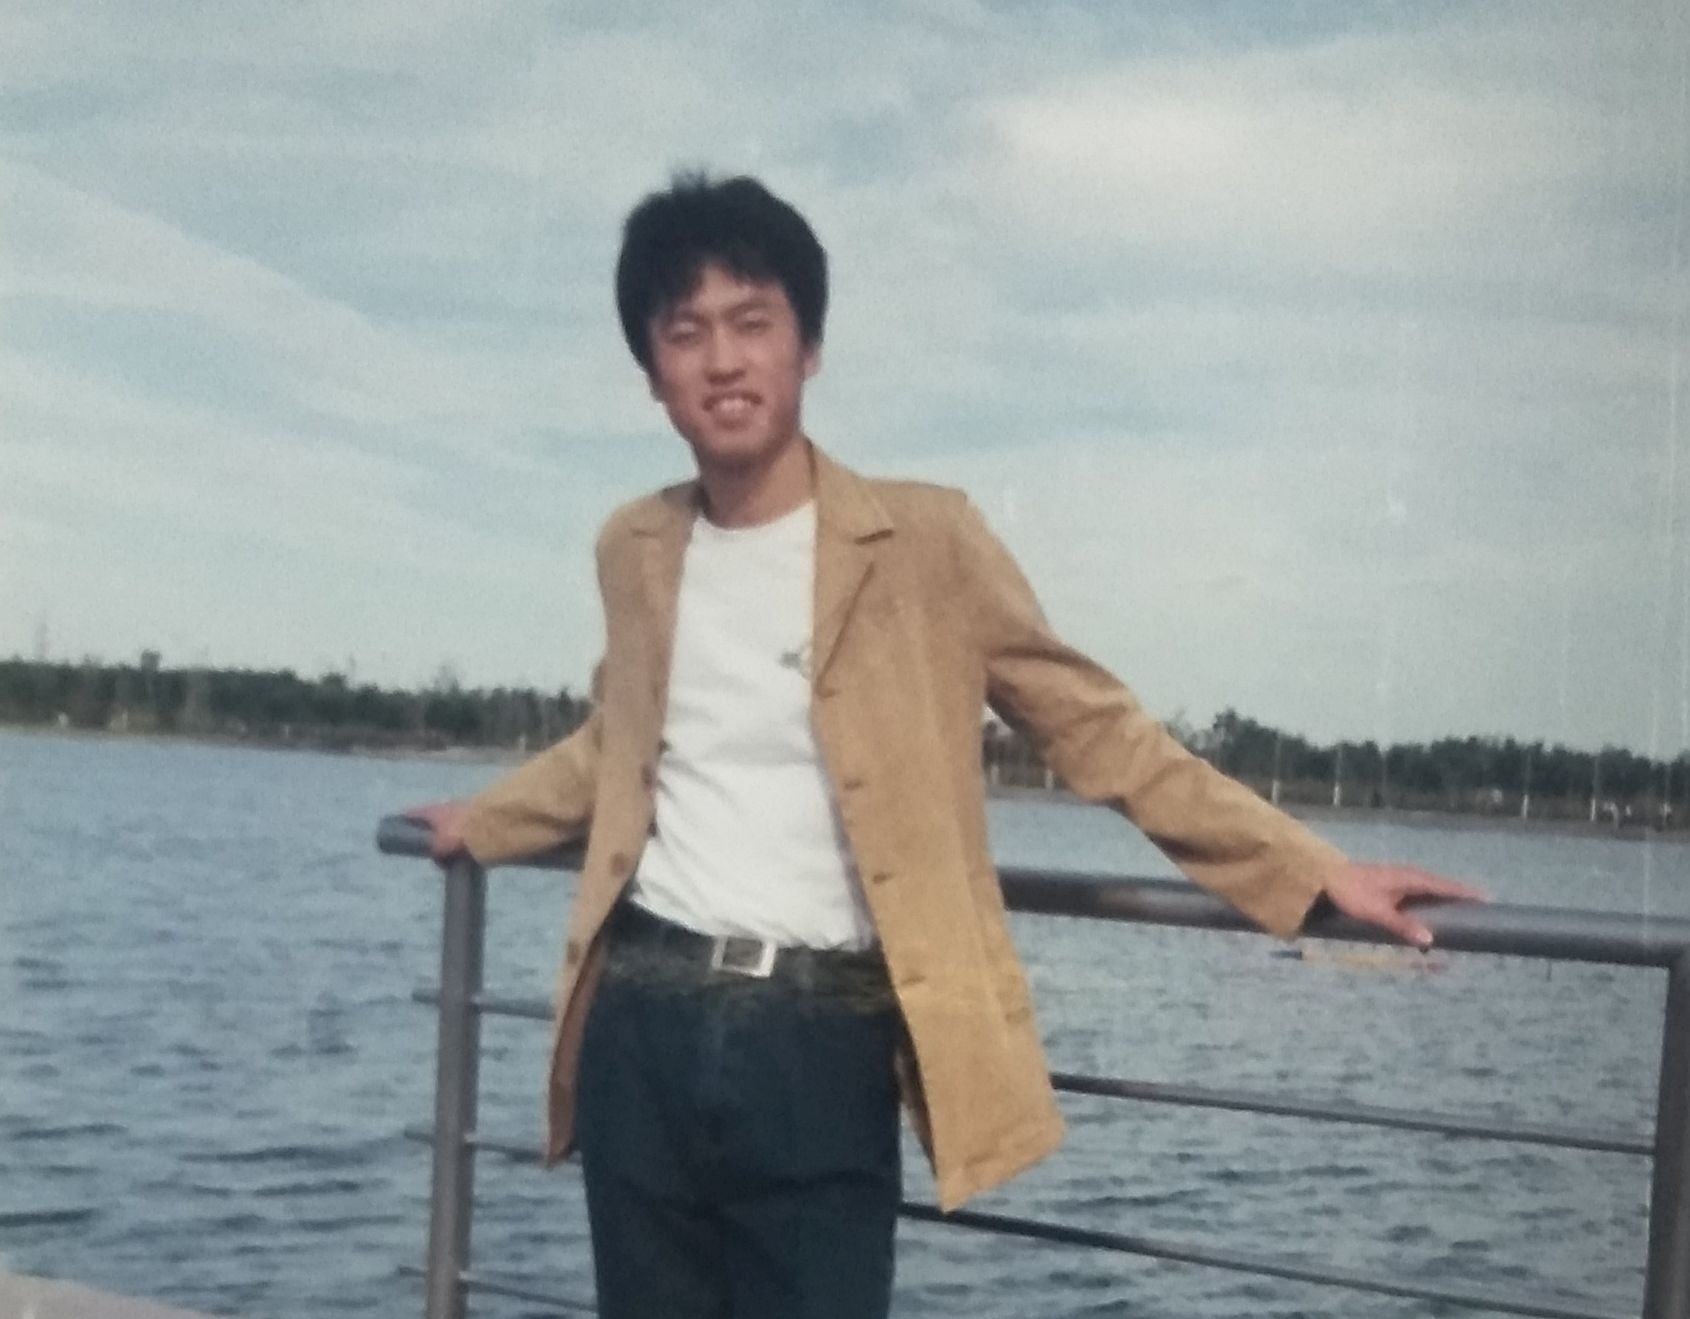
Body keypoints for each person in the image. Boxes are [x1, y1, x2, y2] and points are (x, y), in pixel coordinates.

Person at [406, 171, 1479, 1319]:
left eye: (752, 323)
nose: (722, 360)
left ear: (807, 346)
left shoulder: (924, 540)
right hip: (642, 1014)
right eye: (686, 332)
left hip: (820, 1035)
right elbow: (614, 748)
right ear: (652, 374)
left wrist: (1310, 870)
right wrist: (486, 821)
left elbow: (1093, 726)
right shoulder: (634, 545)